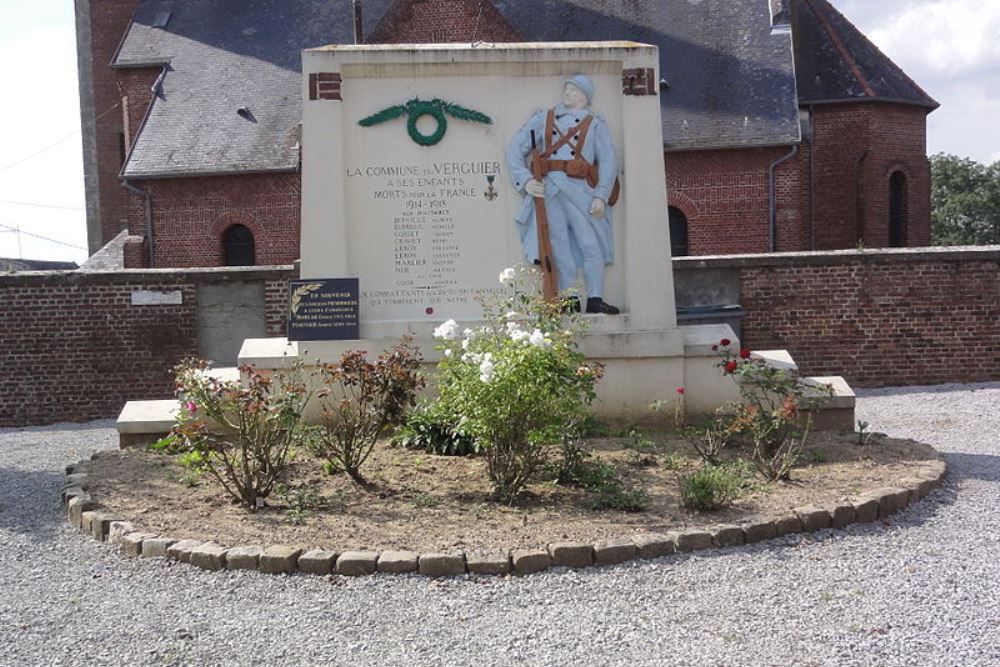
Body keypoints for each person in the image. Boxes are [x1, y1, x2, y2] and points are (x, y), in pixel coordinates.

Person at [506, 74, 620, 314]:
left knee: (591, 244)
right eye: (567, 88)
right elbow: (515, 148)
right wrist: (525, 181)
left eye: (574, 90)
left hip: (581, 191)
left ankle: (595, 299)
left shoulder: (594, 124)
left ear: (584, 96)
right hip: (550, 190)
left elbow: (608, 161)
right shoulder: (543, 119)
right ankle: (570, 300)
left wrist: (601, 195)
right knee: (558, 246)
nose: (567, 93)